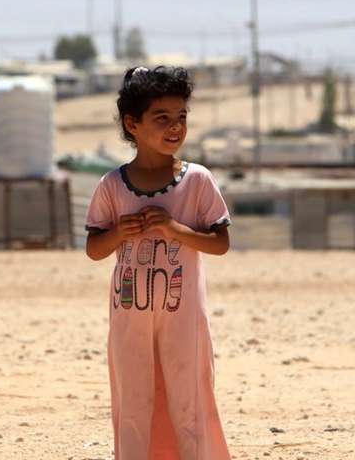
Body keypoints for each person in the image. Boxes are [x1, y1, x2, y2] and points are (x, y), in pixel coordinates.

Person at [85, 66, 232, 460]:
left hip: (183, 318)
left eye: (181, 117)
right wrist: (119, 233)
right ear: (133, 124)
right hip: (129, 318)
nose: (175, 127)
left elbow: (220, 243)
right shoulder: (111, 185)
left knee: (190, 397)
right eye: (162, 118)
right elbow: (95, 249)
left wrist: (175, 228)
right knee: (133, 398)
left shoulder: (197, 180)